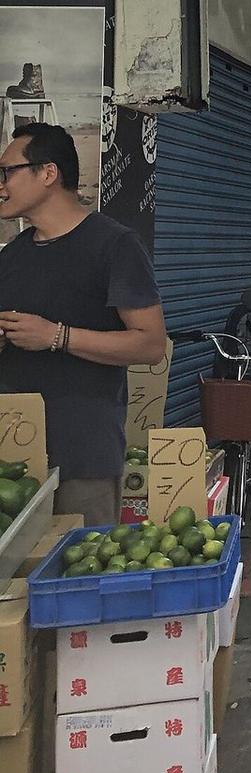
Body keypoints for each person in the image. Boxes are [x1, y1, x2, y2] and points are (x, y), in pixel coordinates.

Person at [0, 121, 166, 524]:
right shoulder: (12, 256)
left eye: (7, 172)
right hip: (14, 455)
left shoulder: (114, 245)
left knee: (81, 560)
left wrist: (56, 336)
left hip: (82, 458)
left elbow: (150, 344)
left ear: (48, 173)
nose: (1, 185)